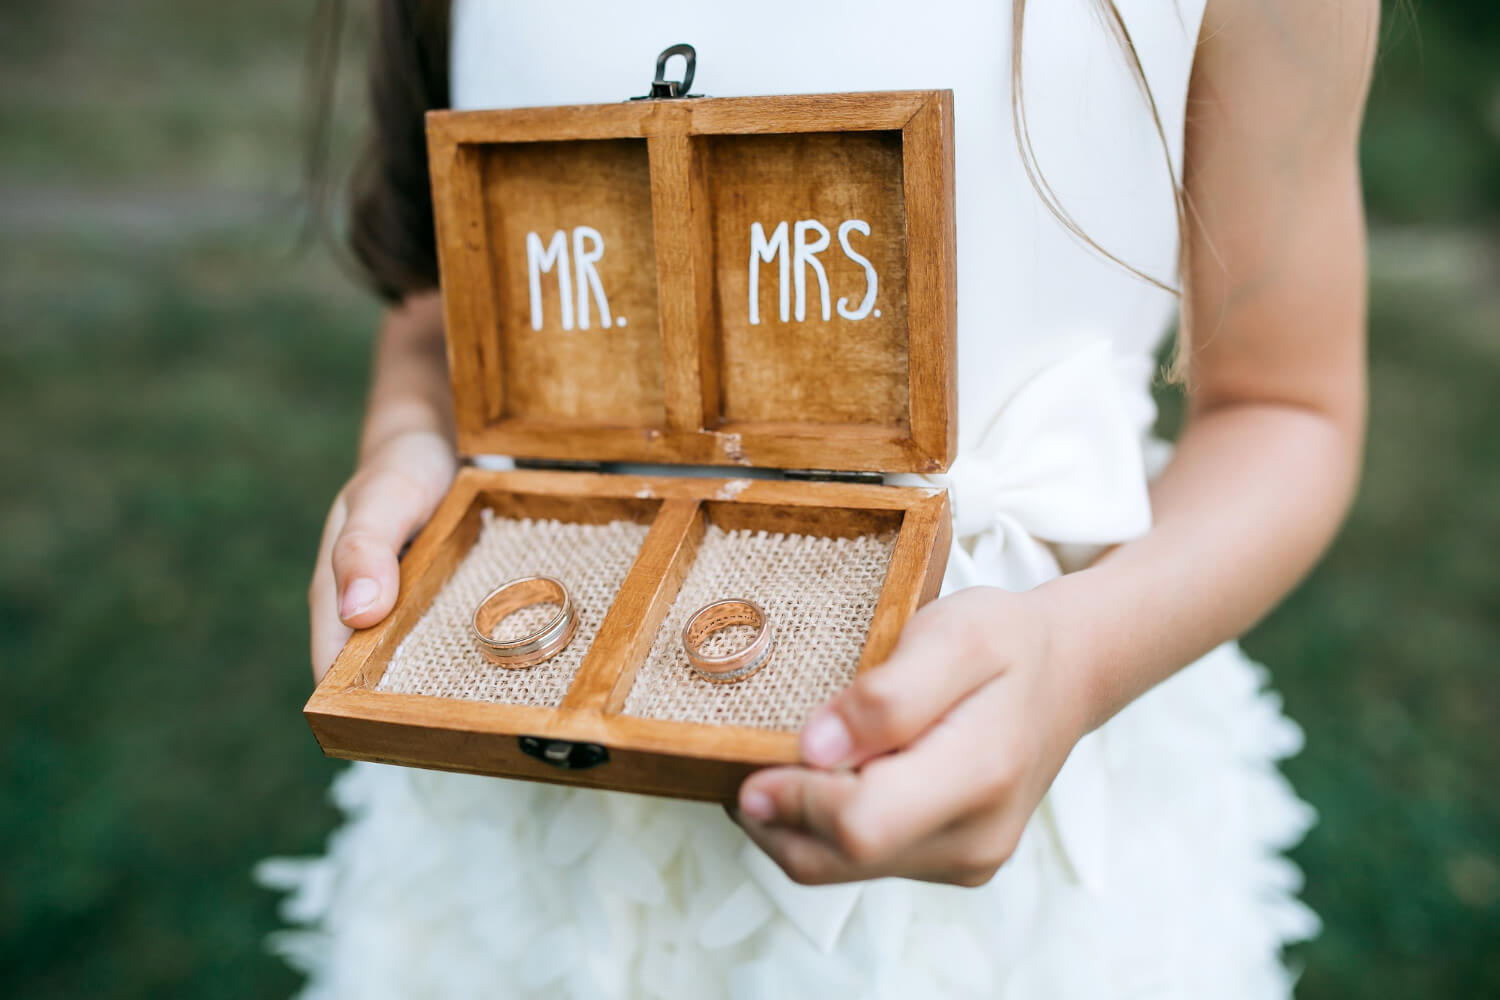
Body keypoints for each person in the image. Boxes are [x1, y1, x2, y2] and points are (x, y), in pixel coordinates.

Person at [260, 0, 1377, 995]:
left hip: (1017, 814)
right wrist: (409, 436)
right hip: (528, 823)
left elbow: (1287, 405)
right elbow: (435, 296)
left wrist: (1079, 659)